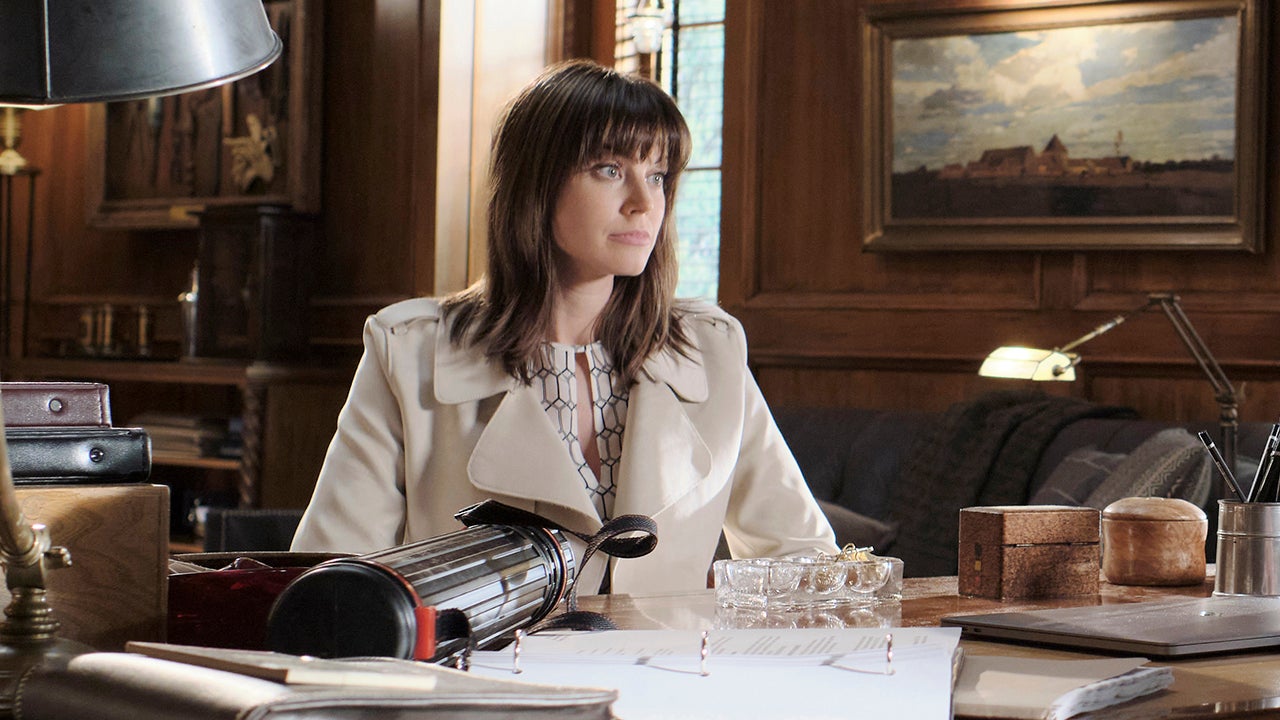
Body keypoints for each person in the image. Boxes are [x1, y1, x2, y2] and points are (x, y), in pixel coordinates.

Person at [291, 59, 837, 593]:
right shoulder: (408, 353)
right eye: (610, 170)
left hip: (669, 655)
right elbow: (329, 590)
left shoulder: (711, 350)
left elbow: (807, 561)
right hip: (481, 657)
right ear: (537, 182)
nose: (644, 203)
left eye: (657, 175)